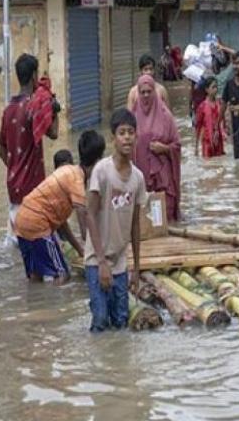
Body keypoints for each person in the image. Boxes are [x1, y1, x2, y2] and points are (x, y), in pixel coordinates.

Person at [13, 131, 105, 285]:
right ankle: (58, 308)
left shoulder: (69, 171)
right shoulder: (77, 185)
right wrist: (101, 257)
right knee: (62, 274)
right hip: (37, 223)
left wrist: (79, 250)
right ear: (98, 162)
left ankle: (36, 305)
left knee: (36, 276)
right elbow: (85, 232)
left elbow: (61, 222)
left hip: (22, 219)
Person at [83, 109, 147, 332]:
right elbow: (89, 214)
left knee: (120, 322)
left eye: (131, 132)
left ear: (136, 137)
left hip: (120, 262)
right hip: (96, 259)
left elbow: (136, 225)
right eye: (122, 133)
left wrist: (137, 269)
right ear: (113, 138)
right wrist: (101, 262)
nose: (127, 137)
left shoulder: (138, 178)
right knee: (100, 320)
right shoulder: (102, 171)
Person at [0, 54, 60, 243]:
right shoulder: (35, 106)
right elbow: (54, 133)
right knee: (40, 245)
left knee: (18, 246)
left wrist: (17, 168)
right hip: (33, 191)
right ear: (34, 76)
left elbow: (1, 151)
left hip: (14, 188)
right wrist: (55, 110)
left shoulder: (8, 110)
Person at [132, 75, 181, 222]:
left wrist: (164, 148)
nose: (146, 95)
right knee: (146, 221)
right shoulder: (132, 119)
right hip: (141, 180)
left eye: (149, 91)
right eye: (143, 92)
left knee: (164, 220)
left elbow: (177, 145)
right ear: (138, 93)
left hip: (163, 180)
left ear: (154, 91)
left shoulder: (166, 117)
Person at [195, 77, 225, 158]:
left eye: (216, 87)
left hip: (219, 140)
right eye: (213, 87)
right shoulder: (202, 106)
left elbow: (223, 121)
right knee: (208, 166)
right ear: (207, 90)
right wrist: (196, 147)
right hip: (207, 142)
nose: (216, 89)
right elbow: (198, 126)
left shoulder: (219, 103)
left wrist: (224, 133)